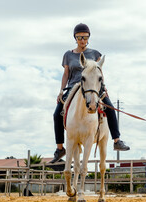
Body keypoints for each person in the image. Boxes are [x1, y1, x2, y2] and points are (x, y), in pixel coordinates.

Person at [52, 23, 130, 162]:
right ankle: (60, 148)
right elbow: (65, 74)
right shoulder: (68, 55)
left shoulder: (94, 54)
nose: (82, 40)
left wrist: (103, 87)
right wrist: (60, 90)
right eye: (79, 37)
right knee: (57, 113)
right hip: (73, 87)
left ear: (88, 38)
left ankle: (117, 140)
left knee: (110, 108)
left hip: (93, 87)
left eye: (85, 37)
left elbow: (99, 72)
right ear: (75, 38)